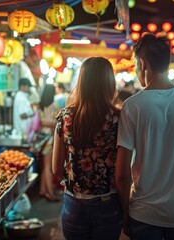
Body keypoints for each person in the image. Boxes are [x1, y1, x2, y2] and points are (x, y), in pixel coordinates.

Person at [115, 34, 174, 240]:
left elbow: (122, 173)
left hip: (143, 213)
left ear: (143, 63)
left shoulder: (133, 106)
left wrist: (124, 212)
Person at [52, 57, 122, 240]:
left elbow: (55, 169)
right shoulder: (118, 119)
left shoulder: (65, 116)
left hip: (74, 202)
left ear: (81, 82)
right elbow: (122, 171)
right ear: (109, 83)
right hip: (108, 201)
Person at [38, 84, 60, 202]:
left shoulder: (40, 106)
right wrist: (53, 124)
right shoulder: (55, 107)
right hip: (49, 139)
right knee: (47, 167)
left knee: (44, 165)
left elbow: (41, 123)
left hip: (41, 139)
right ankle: (50, 194)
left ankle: (42, 190)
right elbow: (58, 122)